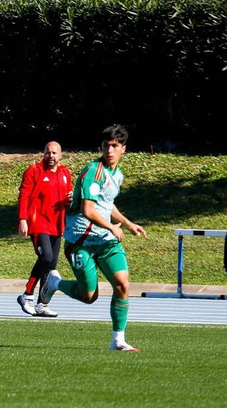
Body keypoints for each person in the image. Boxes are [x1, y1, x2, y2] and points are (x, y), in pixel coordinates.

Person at [33, 124, 147, 351]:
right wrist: (113, 228)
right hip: (80, 242)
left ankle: (118, 341)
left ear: (123, 149)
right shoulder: (92, 172)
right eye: (106, 145)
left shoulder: (118, 174)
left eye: (115, 146)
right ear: (101, 147)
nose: (110, 150)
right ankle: (54, 282)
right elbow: (88, 210)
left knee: (122, 284)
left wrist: (127, 223)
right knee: (88, 296)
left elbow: (106, 204)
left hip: (105, 241)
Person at [15, 140, 73, 318]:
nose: (51, 156)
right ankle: (26, 295)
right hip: (39, 224)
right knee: (45, 258)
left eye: (54, 153)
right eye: (48, 152)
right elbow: (24, 196)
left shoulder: (65, 173)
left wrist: (71, 198)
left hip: (57, 225)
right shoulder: (34, 171)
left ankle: (42, 304)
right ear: (44, 154)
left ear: (60, 155)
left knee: (51, 266)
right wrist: (23, 219)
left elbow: (68, 195)